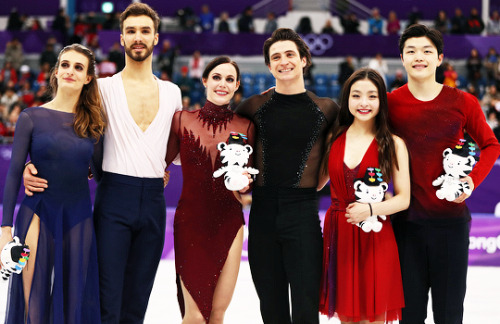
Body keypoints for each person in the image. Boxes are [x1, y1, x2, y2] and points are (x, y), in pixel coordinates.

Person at [22, 3, 182, 323]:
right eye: (131, 31)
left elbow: (179, 153)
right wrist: (32, 162)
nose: (138, 37)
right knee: (105, 302)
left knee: (137, 304)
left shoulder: (173, 92)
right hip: (113, 200)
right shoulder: (101, 88)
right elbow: (62, 123)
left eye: (145, 31)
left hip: (153, 203)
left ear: (156, 38)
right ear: (121, 39)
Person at [388, 24, 500, 324]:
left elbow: (491, 145)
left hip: (451, 225)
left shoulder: (463, 102)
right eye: (411, 51)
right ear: (402, 58)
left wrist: (472, 180)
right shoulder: (389, 104)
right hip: (404, 225)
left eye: (426, 51)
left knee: (449, 315)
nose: (418, 57)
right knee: (409, 315)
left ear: (439, 59)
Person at [235, 28, 339, 324]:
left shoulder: (326, 109)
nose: (284, 61)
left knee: (306, 309)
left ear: (304, 59)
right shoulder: (253, 106)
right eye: (276, 57)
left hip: (303, 213)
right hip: (263, 212)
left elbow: (337, 157)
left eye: (290, 54)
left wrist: (316, 187)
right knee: (272, 307)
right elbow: (228, 142)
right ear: (269, 66)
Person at [0, 43, 105, 323]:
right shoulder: (31, 117)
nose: (70, 71)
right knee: (30, 302)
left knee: (73, 305)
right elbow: (12, 176)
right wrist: (4, 231)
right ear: (56, 71)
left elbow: (102, 173)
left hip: (79, 217)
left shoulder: (94, 124)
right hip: (36, 214)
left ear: (88, 78)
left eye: (79, 67)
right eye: (66, 64)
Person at [166, 56, 254, 323]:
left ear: (237, 85)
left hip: (229, 223)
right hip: (191, 222)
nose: (222, 84)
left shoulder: (246, 126)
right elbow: (156, 162)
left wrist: (246, 184)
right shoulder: (181, 120)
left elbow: (250, 178)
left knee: (217, 314)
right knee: (194, 316)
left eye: (229, 79)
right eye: (216, 77)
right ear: (204, 81)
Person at [319, 67, 408, 323]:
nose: (364, 102)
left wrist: (370, 209)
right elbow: (315, 183)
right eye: (357, 95)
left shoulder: (393, 143)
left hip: (375, 235)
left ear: (381, 101)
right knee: (347, 316)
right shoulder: (333, 138)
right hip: (339, 233)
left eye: (372, 96)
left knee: (374, 317)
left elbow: (403, 199)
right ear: (347, 99)